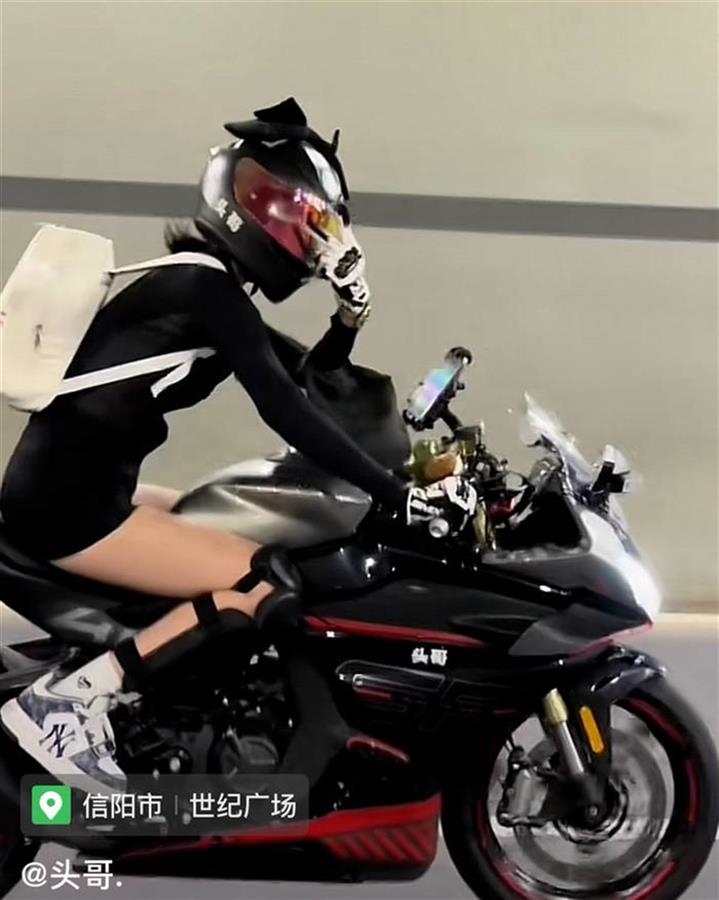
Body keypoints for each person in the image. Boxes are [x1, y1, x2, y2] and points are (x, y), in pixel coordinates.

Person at [0, 98, 476, 792]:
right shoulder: (203, 290)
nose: (309, 244)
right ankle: (67, 706)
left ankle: (178, 708)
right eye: (301, 222)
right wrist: (396, 495)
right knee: (264, 580)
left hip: (83, 485)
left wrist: (346, 319)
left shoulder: (207, 287)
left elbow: (303, 378)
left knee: (223, 516)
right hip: (72, 505)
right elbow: (287, 410)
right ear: (251, 209)